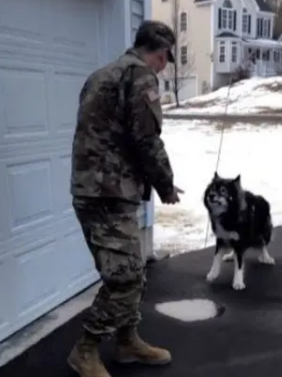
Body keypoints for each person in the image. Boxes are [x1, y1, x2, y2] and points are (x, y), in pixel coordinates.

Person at [68, 20, 183, 377]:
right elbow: (146, 140)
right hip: (109, 195)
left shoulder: (100, 75)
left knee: (130, 270)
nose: (164, 67)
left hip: (92, 192)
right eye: (166, 59)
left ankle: (127, 340)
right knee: (125, 279)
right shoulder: (140, 77)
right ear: (161, 54)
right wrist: (166, 185)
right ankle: (85, 350)